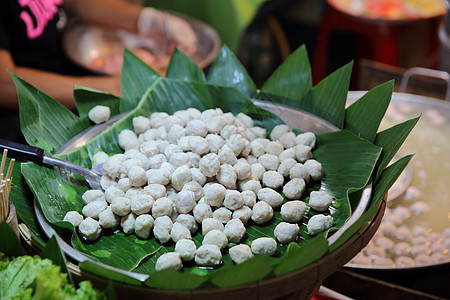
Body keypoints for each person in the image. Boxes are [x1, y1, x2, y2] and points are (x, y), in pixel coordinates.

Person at [0, 0, 196, 141]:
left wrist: (144, 21)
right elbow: (4, 82)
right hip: (26, 116)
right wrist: (114, 86)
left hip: (69, 72)